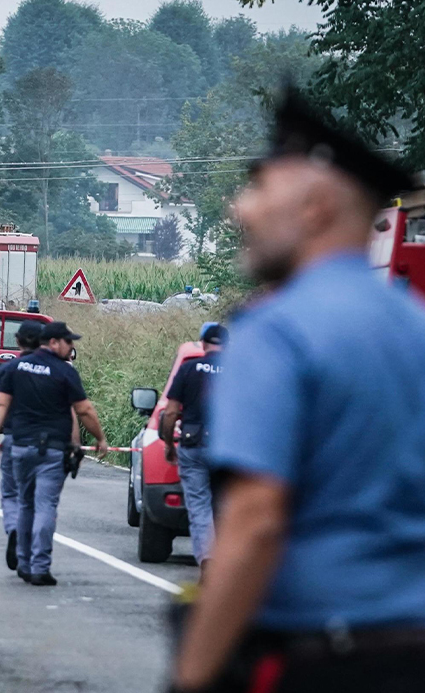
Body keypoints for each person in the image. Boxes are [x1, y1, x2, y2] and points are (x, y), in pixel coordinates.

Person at [169, 91, 423, 693]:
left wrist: (192, 675)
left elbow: (256, 520)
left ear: (314, 207)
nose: (240, 210)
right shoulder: (414, 327)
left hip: (320, 661)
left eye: (259, 191)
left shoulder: (276, 331)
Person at [0, 321, 108, 586]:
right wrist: (99, 437)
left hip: (20, 448)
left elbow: (0, 405)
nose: (71, 347)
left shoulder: (14, 368)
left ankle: (25, 563)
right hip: (51, 450)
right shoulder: (64, 372)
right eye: (68, 341)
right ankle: (40, 567)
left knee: (25, 504)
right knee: (45, 506)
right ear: (53, 342)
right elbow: (83, 410)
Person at [160, 322, 228, 574]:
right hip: (228, 448)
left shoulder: (189, 369)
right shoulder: (240, 370)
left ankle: (208, 559)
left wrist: (169, 443)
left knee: (199, 506)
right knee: (225, 505)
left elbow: (170, 412)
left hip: (194, 444)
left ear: (202, 344)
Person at [0, 320, 44, 572]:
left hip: (15, 439)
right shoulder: (58, 369)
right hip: (47, 443)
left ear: (18, 342)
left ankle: (13, 529)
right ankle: (37, 550)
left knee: (11, 493)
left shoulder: (9, 369)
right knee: (39, 499)